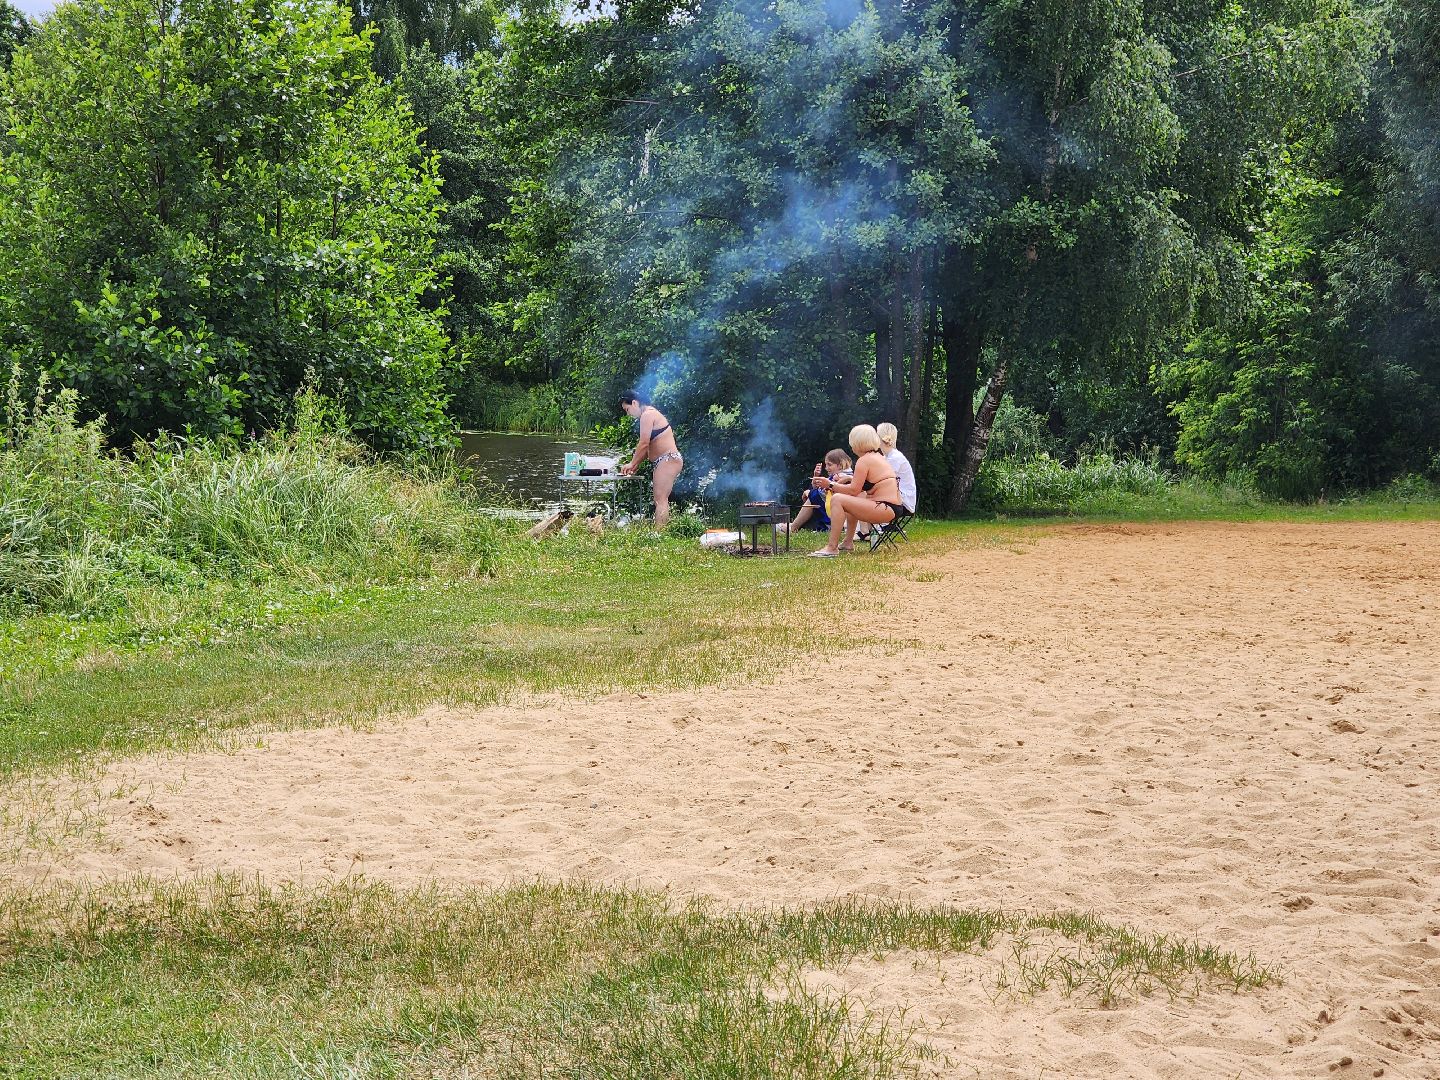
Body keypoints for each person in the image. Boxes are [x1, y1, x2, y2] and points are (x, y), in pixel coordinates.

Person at [808, 425, 902, 557]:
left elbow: (853, 490)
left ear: (857, 443)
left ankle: (832, 547)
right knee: (852, 498)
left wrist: (830, 484)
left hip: (885, 507)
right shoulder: (878, 457)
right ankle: (848, 542)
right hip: (892, 507)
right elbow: (860, 488)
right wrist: (843, 480)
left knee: (837, 499)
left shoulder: (864, 461)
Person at [618, 390, 682, 529]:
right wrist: (635, 465)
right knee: (660, 499)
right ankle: (660, 531)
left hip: (668, 459)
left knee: (660, 499)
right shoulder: (649, 414)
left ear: (634, 403)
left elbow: (643, 443)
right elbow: (648, 449)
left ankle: (659, 533)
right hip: (666, 460)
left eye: (627, 409)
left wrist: (632, 463)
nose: (628, 414)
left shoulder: (647, 415)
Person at [782, 449, 852, 533]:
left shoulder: (844, 477)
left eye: (829, 465)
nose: (826, 468)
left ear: (840, 465)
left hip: (839, 510)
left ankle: (794, 527)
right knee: (813, 495)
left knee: (813, 496)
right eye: (826, 465)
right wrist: (816, 477)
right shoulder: (837, 475)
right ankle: (795, 525)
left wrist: (811, 492)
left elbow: (830, 492)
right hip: (832, 507)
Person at [876, 422, 917, 513]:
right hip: (896, 497)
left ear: (881, 438)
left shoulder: (895, 458)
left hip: (904, 502)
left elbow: (880, 480)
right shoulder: (888, 457)